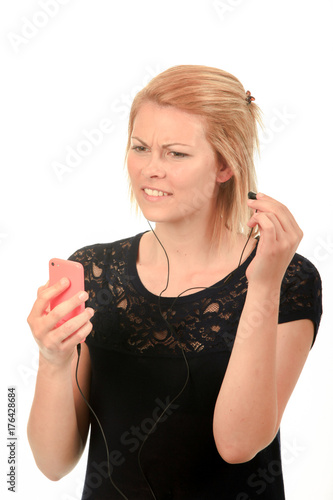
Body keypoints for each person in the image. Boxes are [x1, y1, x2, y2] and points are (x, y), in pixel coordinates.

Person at [27, 65, 322, 500]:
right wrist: (52, 361)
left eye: (176, 154)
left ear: (225, 165)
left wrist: (262, 285)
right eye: (140, 148)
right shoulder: (94, 271)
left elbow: (238, 444)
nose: (151, 170)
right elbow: (52, 464)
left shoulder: (288, 277)